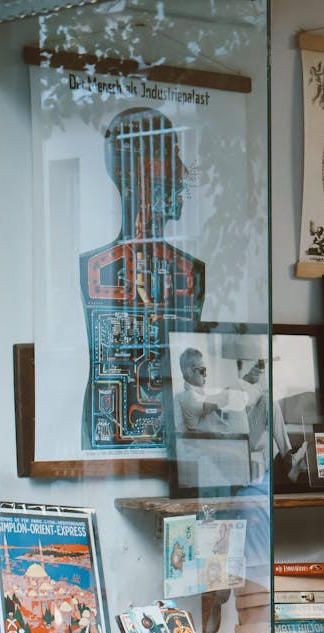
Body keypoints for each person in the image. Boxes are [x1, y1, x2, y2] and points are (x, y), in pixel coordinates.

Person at [80, 108, 205, 450]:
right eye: (170, 155)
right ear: (133, 171)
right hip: (114, 432)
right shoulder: (96, 269)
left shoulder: (188, 272)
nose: (181, 173)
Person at [175, 347, 251, 433]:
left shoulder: (197, 393)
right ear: (189, 372)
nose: (206, 375)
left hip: (219, 438)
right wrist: (244, 382)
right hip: (214, 442)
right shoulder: (188, 396)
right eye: (202, 371)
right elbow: (222, 398)